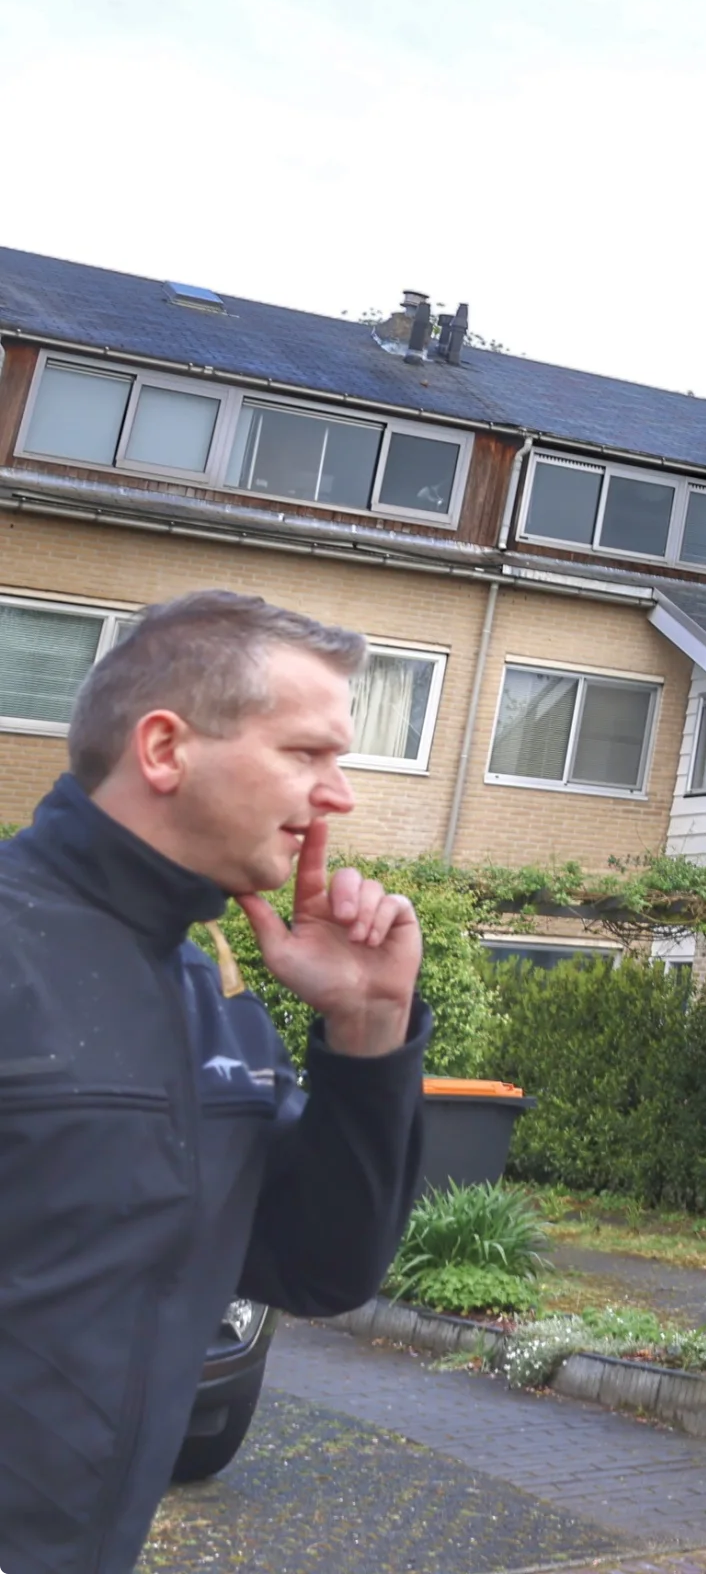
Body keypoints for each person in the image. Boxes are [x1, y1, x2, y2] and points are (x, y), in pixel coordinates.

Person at [0, 591, 430, 1574]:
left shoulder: (207, 989)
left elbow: (313, 1265)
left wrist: (367, 1028)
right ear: (163, 749)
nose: (339, 794)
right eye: (307, 753)